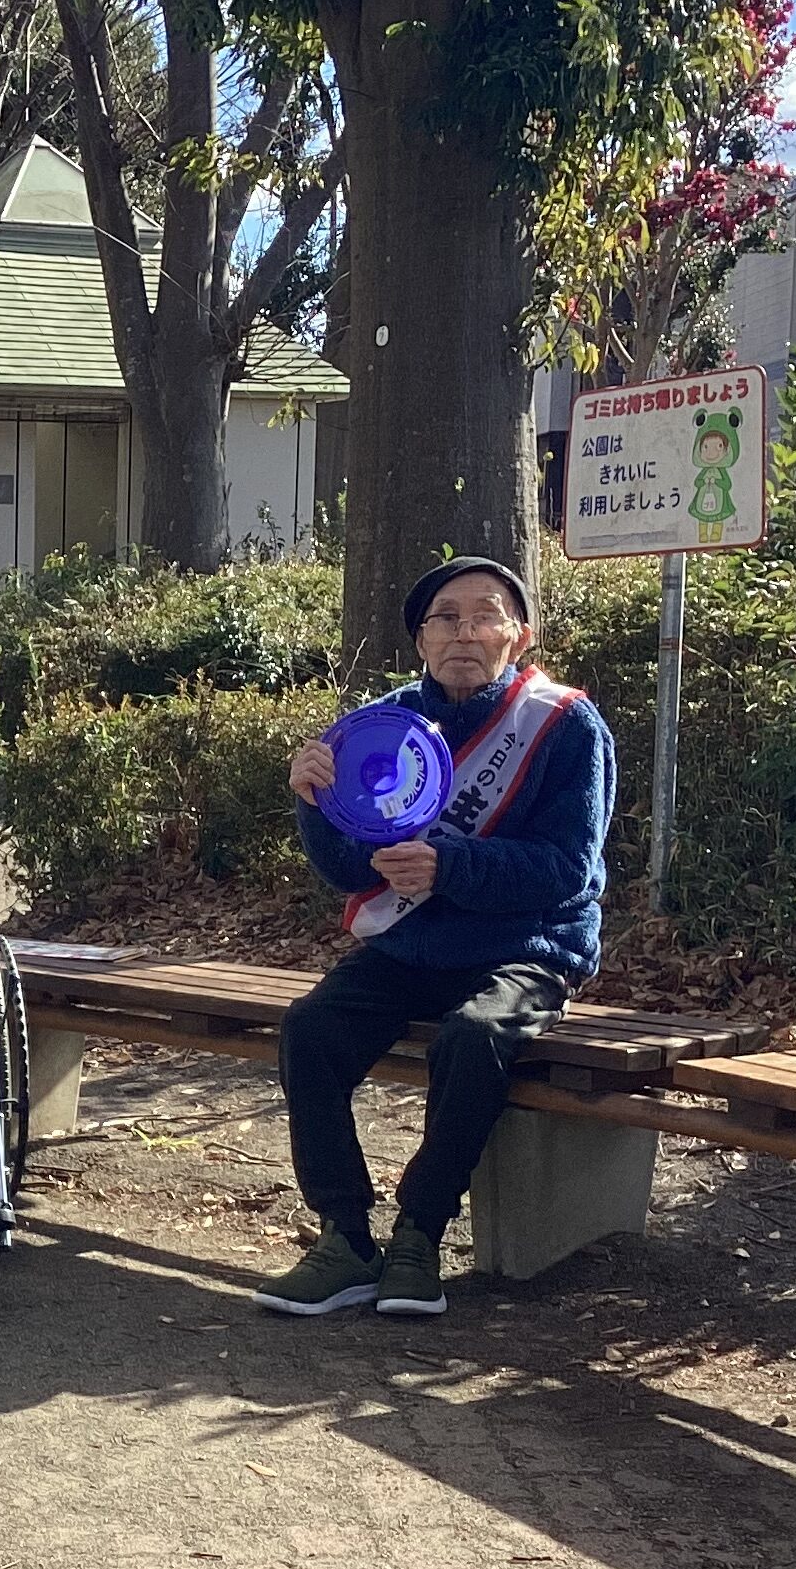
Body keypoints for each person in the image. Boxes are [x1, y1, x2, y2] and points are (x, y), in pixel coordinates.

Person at [256, 557, 615, 1322]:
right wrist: (314, 801)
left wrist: (449, 864)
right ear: (420, 639)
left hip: (529, 944)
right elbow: (350, 868)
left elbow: (566, 869)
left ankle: (419, 1234)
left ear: (519, 636)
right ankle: (345, 1239)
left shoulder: (562, 724)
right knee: (311, 1030)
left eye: (486, 616)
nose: (465, 633)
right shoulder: (382, 727)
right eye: (446, 617)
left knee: (472, 1038)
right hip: (413, 944)